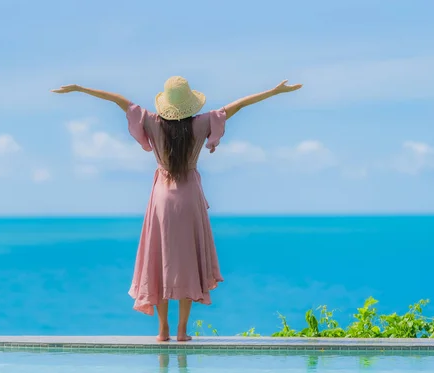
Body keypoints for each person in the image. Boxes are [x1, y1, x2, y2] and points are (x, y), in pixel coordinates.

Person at [51, 76, 302, 341]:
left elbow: (118, 100)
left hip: (162, 198)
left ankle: (163, 330)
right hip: (189, 196)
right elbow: (237, 106)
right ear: (189, 104)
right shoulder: (202, 123)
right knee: (186, 264)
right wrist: (273, 91)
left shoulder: (152, 121)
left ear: (166, 104)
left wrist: (80, 88)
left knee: (159, 260)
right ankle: (182, 331)